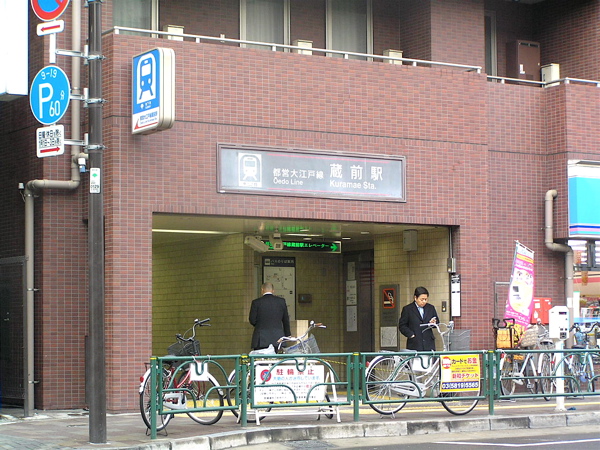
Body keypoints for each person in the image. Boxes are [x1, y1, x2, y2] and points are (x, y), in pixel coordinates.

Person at [249, 282, 291, 350]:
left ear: (262, 290)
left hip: (261, 338)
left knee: (260, 356)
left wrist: (260, 326)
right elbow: (285, 319)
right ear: (273, 290)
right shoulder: (281, 301)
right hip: (278, 337)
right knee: (277, 356)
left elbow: (252, 320)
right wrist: (287, 335)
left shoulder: (256, 302)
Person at [398, 286, 440, 351]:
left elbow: (437, 322)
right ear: (415, 298)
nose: (424, 301)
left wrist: (434, 322)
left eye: (426, 299)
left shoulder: (430, 308)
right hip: (415, 342)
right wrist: (411, 334)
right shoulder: (408, 309)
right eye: (422, 299)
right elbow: (402, 325)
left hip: (428, 343)